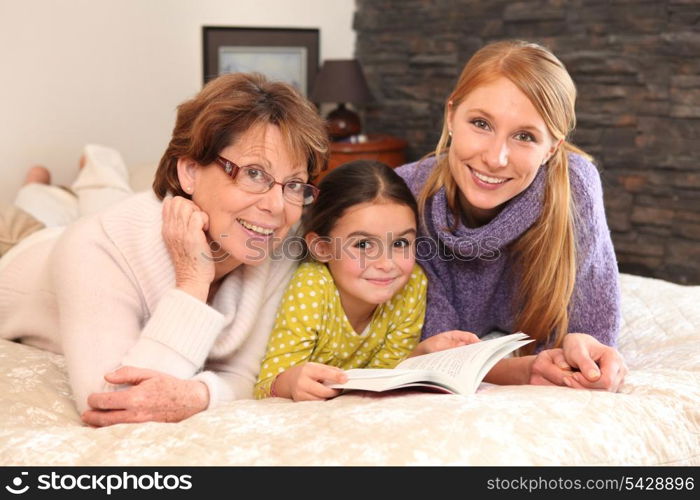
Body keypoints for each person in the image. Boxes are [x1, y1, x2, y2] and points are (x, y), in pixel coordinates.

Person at [0, 73, 329, 425]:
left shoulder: (279, 240)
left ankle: (84, 175)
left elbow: (249, 374)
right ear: (189, 171)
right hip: (22, 251)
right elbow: (113, 402)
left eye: (294, 184)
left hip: (114, 221)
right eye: (254, 174)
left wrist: (199, 394)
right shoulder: (95, 246)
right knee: (35, 211)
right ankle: (42, 186)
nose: (278, 207)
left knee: (102, 198)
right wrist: (191, 283)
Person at [396, 40, 627, 392]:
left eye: (524, 136)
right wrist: (520, 369)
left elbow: (591, 325)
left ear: (552, 148)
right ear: (451, 116)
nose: (496, 158)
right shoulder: (407, 194)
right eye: (481, 123)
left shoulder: (574, 187)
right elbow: (436, 348)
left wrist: (585, 350)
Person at [254, 161, 479, 401]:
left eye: (400, 243)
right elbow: (265, 386)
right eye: (363, 245)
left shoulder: (411, 285)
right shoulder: (312, 286)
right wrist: (290, 383)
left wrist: (423, 352)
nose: (386, 263)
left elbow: (383, 377)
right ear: (322, 248)